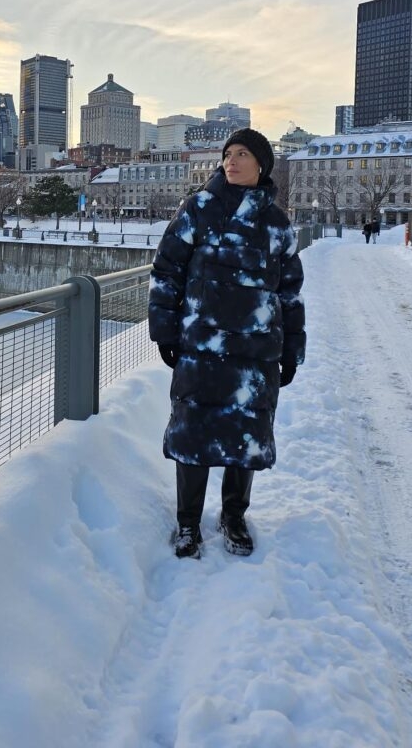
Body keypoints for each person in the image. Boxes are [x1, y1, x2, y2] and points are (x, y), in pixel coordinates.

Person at [148, 128, 306, 560]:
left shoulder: (276, 223)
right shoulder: (198, 209)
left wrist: (292, 350)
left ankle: (233, 516)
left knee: (245, 434)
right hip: (202, 348)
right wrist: (164, 329)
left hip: (255, 353)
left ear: (261, 165)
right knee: (193, 433)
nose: (231, 162)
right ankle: (187, 523)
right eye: (227, 154)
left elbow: (289, 292)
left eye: (242, 154)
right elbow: (167, 271)